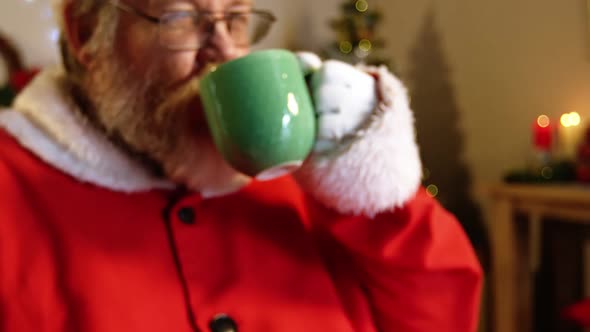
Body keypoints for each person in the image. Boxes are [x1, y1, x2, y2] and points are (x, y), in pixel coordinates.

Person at [0, 0, 483, 331]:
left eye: (236, 19)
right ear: (87, 35)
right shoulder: (14, 188)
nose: (226, 52)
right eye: (181, 17)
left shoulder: (304, 180)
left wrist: (368, 184)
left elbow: (438, 315)